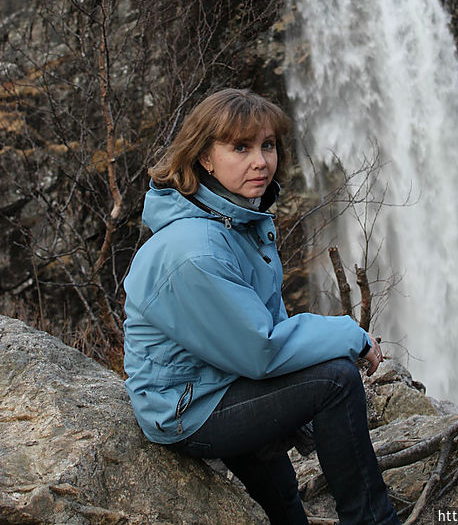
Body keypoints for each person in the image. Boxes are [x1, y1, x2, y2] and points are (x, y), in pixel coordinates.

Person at [123, 88, 399, 525]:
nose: (260, 161)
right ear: (205, 158)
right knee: (337, 380)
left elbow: (261, 325)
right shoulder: (196, 249)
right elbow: (261, 348)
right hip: (187, 408)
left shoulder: (236, 221)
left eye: (267, 145)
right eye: (240, 147)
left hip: (216, 381)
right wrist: (349, 334)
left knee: (285, 503)